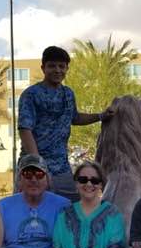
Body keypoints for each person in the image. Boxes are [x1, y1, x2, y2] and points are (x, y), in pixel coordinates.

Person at [18, 45, 112, 202]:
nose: (57, 70)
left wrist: (101, 116)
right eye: (52, 66)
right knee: (32, 210)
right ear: (43, 68)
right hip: (33, 169)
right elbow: (24, 129)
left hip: (61, 167)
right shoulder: (31, 95)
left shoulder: (68, 94)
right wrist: (37, 164)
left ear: (67, 68)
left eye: (61, 66)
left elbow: (74, 118)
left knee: (68, 210)